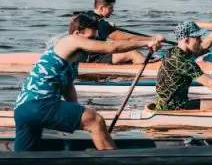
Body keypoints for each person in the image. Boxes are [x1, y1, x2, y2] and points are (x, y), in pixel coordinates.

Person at [14, 14, 164, 152]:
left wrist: (76, 111)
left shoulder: (70, 58)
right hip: (41, 105)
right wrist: (147, 42)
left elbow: (67, 86)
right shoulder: (70, 40)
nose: (92, 42)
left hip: (23, 109)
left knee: (24, 158)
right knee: (96, 121)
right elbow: (112, 47)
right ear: (77, 33)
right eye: (90, 38)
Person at [75, 0, 148, 64]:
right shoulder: (102, 24)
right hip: (92, 59)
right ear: (102, 8)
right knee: (131, 53)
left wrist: (106, 25)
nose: (112, 11)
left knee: (119, 46)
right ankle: (152, 70)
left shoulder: (86, 16)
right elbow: (128, 38)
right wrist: (151, 40)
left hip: (86, 56)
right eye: (110, 8)